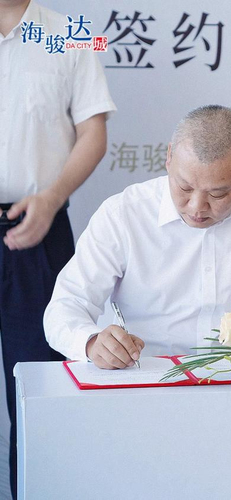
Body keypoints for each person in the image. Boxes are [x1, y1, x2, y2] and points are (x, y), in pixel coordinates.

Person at [44, 105, 231, 368]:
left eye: (217, 194)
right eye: (184, 187)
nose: (196, 207)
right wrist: (91, 343)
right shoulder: (123, 214)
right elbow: (65, 307)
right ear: (169, 158)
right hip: (145, 376)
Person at [1, 0, 116, 495]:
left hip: (39, 225)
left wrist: (51, 199)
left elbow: (94, 131)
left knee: (41, 392)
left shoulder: (71, 33)